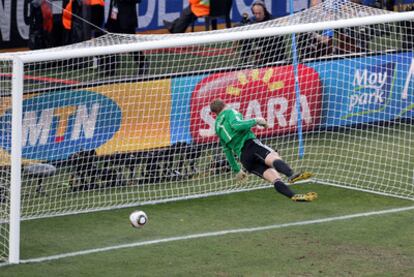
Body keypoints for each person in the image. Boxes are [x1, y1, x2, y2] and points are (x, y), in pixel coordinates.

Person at [210, 99, 317, 202]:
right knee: (273, 157)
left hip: (245, 159)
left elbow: (227, 150)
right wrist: (256, 121)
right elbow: (236, 125)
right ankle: (291, 175)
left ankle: (294, 196)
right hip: (251, 145)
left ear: (215, 113)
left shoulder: (217, 127)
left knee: (275, 179)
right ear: (224, 105)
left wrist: (237, 170)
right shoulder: (230, 112)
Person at [104, 0, 148, 75]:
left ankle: (143, 63)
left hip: (127, 19)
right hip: (113, 18)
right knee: (110, 42)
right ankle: (110, 67)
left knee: (131, 45)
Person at [239, 0, 286, 65]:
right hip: (261, 46)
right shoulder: (252, 21)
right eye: (255, 13)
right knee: (245, 38)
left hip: (274, 49)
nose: (257, 16)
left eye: (259, 13)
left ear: (264, 11)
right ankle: (244, 62)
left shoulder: (272, 21)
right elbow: (239, 26)